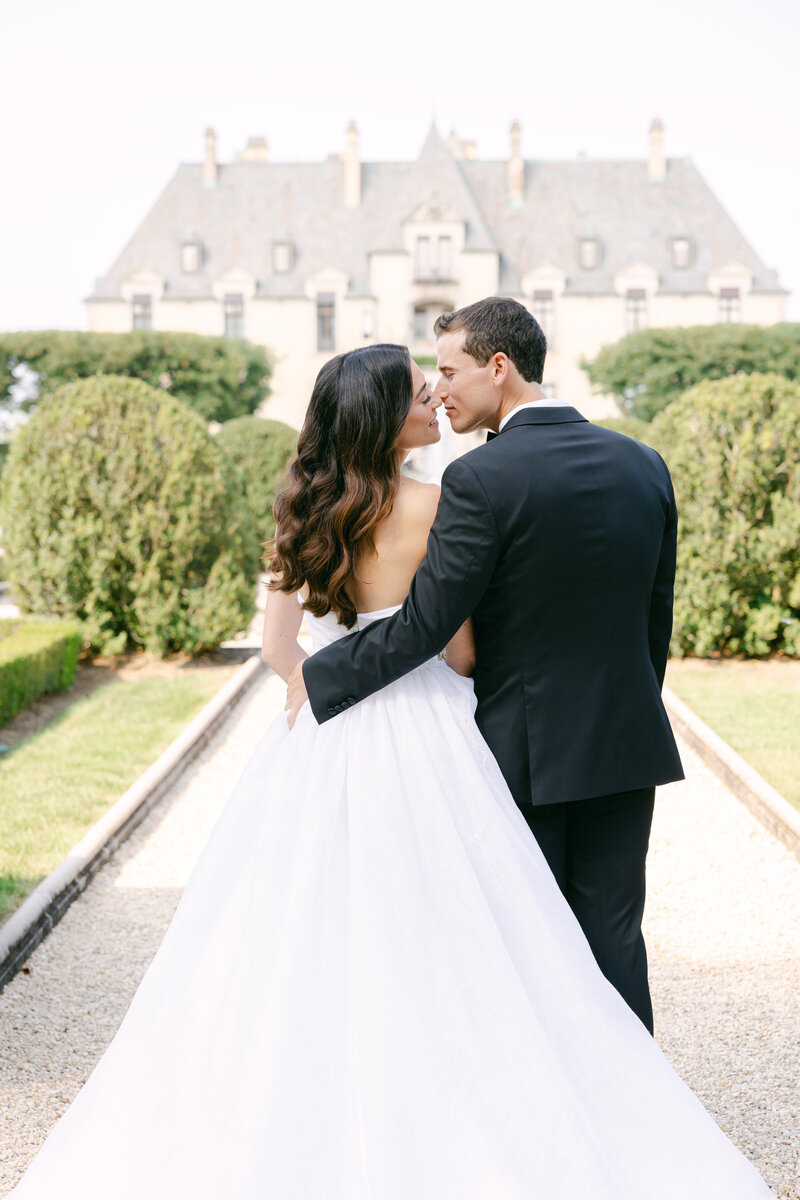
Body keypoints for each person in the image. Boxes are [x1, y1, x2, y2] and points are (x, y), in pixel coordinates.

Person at [9, 343, 771, 1199]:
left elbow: (274, 647)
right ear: (383, 417)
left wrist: (315, 691)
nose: (434, 400)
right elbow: (458, 645)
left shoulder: (299, 506)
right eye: (418, 391)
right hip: (429, 732)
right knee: (465, 925)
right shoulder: (439, 502)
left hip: (319, 733)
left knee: (297, 922)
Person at [290, 296, 684, 1035]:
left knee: (526, 943)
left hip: (522, 748)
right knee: (615, 935)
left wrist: (321, 676)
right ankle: (636, 1116)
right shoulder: (645, 464)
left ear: (498, 368)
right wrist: (630, 704)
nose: (439, 390)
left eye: (448, 370)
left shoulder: (480, 479)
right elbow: (653, 619)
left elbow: (424, 627)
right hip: (627, 741)